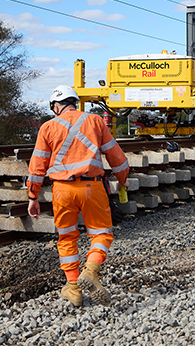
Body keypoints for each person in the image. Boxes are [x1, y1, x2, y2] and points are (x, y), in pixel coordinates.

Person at [27, 85, 130, 307]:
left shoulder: (47, 127)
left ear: (55, 106)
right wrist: (123, 180)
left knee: (66, 238)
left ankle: (73, 288)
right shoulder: (95, 121)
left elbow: (37, 166)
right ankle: (91, 271)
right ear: (75, 102)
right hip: (92, 187)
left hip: (62, 190)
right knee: (102, 233)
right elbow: (116, 156)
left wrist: (32, 196)